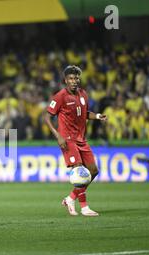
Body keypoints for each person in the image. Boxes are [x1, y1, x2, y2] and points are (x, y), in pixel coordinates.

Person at [44, 65, 107, 217]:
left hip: (81, 139)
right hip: (68, 139)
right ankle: (84, 207)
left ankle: (70, 198)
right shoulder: (60, 96)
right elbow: (47, 117)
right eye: (71, 78)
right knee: (79, 170)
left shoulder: (83, 94)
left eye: (76, 78)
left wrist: (97, 116)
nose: (74, 81)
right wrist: (58, 135)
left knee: (93, 171)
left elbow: (85, 114)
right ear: (65, 80)